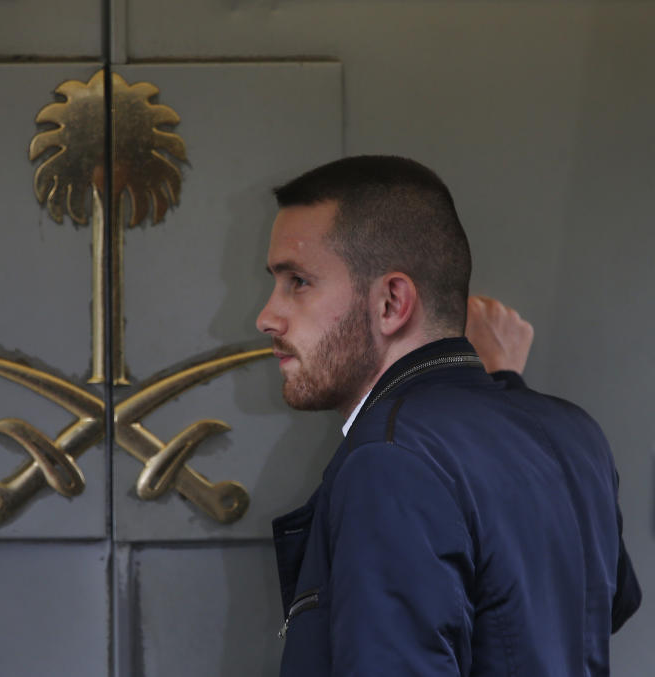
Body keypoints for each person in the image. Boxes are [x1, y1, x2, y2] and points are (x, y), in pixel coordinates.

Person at [257, 156, 641, 676]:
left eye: (297, 281)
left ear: (392, 302)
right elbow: (588, 610)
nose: (267, 317)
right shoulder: (572, 433)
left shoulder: (387, 459)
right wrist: (503, 382)